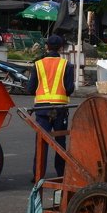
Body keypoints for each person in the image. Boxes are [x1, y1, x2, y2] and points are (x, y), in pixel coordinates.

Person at [25, 35, 75, 180]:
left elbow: (30, 89)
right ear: (61, 48)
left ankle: (38, 175)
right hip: (59, 109)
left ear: (47, 47)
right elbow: (70, 88)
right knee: (60, 142)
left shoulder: (38, 64)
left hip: (41, 109)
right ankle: (61, 174)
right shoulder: (67, 65)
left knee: (41, 142)